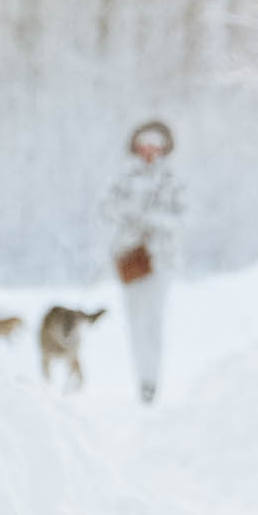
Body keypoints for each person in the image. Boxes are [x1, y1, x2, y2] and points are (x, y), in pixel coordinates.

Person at [100, 119, 185, 404]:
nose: (149, 152)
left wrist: (153, 221)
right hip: (131, 260)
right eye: (144, 146)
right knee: (136, 323)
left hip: (161, 261)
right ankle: (142, 381)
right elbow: (107, 209)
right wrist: (132, 216)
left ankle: (153, 381)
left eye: (154, 146)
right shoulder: (124, 179)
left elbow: (183, 217)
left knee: (154, 324)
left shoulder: (171, 180)